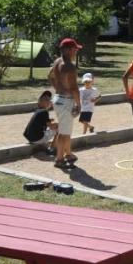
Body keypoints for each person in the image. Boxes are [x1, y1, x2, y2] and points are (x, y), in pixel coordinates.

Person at [48, 38, 82, 168]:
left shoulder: (57, 61)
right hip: (66, 100)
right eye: (74, 49)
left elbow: (49, 76)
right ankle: (59, 159)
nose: (76, 52)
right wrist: (79, 105)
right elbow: (74, 88)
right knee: (63, 132)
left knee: (66, 130)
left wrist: (57, 88)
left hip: (58, 99)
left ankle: (68, 154)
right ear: (68, 50)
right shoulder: (70, 66)